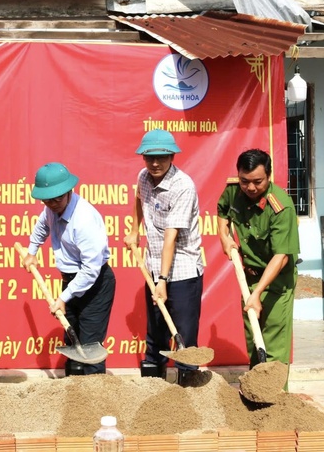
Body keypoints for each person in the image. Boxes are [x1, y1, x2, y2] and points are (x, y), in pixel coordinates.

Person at [123, 130, 204, 384]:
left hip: (182, 271)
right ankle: (153, 390)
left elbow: (171, 238)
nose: (155, 163)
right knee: (156, 333)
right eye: (150, 158)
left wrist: (163, 280)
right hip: (154, 266)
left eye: (161, 157)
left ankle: (187, 391)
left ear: (172, 156)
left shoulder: (183, 186)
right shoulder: (143, 177)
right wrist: (135, 231)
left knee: (184, 338)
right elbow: (138, 199)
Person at [22, 162, 116, 376]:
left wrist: (64, 298)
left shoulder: (84, 220)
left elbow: (90, 270)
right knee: (71, 339)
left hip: (96, 284)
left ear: (69, 191)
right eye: (47, 199)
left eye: (57, 198)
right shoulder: (50, 209)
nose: (52, 204)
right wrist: (31, 252)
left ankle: (95, 396)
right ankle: (72, 395)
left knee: (90, 344)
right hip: (71, 279)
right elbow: (41, 228)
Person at [217, 148, 299, 388]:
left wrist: (257, 293)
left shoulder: (280, 207)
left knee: (273, 344)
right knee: (254, 342)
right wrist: (224, 236)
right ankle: (256, 394)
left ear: (269, 176)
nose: (250, 188)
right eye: (245, 181)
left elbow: (281, 256)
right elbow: (222, 211)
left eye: (258, 182)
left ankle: (276, 402)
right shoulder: (234, 190)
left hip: (277, 282)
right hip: (250, 277)